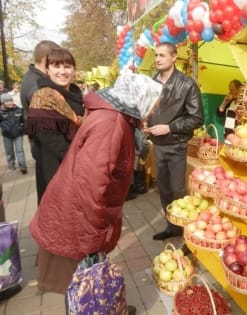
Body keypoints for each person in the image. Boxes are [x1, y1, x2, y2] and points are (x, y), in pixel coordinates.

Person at [29, 72, 162, 309]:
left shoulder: (115, 117)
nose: (153, 110)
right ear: (139, 98)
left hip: (78, 213)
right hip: (79, 217)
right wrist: (93, 235)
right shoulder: (112, 123)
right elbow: (90, 183)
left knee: (83, 280)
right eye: (153, 102)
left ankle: (103, 306)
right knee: (80, 283)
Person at [146, 42, 204, 241]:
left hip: (176, 144)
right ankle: (172, 226)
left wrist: (169, 127)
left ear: (174, 57)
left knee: (178, 190)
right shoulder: (151, 83)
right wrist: (146, 122)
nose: (158, 59)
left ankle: (187, 234)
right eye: (156, 55)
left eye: (162, 55)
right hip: (157, 145)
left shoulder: (187, 84)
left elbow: (197, 118)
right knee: (163, 188)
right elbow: (149, 109)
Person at [26, 47, 85, 204]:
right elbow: (51, 140)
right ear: (47, 70)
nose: (62, 71)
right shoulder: (43, 96)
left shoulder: (77, 94)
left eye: (67, 66)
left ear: (74, 69)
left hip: (81, 167)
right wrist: (78, 160)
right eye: (56, 66)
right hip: (55, 167)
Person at [20, 40, 60, 129]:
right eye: (57, 58)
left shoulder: (31, 75)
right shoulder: (39, 86)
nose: (60, 61)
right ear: (46, 59)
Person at [0, 94, 27, 173]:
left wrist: (23, 127)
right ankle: (11, 164)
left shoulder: (19, 110)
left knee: (20, 150)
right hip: (7, 135)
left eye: (11, 100)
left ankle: (23, 166)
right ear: (3, 103)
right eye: (7, 101)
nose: (10, 103)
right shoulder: (1, 112)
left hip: (18, 134)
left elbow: (23, 121)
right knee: (9, 151)